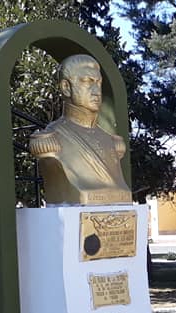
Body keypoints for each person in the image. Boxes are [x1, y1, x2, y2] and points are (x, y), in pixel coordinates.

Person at [29, 54, 132, 205]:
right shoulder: (50, 141)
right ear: (66, 87)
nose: (96, 90)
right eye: (87, 82)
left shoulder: (113, 142)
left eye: (98, 83)